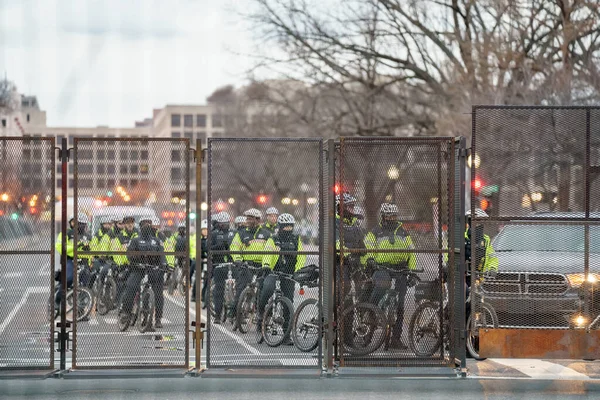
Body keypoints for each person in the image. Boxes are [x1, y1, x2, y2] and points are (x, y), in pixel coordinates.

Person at [364, 202, 418, 350]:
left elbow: (411, 252)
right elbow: (368, 246)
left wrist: (412, 271)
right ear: (383, 216)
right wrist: (370, 260)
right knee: (381, 286)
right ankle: (370, 314)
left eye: (394, 215)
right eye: (388, 215)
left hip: (400, 269)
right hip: (381, 267)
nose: (391, 218)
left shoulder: (403, 232)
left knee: (400, 305)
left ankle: (396, 339)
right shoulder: (375, 231)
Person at [259, 213, 306, 344]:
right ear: (280, 227)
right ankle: (260, 315)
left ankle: (286, 335)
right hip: (273, 271)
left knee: (288, 302)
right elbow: (267, 253)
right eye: (285, 227)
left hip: (289, 274)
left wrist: (297, 271)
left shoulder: (296, 239)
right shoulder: (273, 239)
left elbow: (301, 256)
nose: (288, 229)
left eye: (290, 227)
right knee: (267, 289)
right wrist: (266, 265)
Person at [334, 192, 367, 346]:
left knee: (352, 300)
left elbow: (362, 245)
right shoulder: (333, 222)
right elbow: (335, 243)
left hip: (353, 264)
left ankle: (348, 338)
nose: (352, 209)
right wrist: (347, 253)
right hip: (338, 264)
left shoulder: (355, 224)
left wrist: (367, 258)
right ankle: (332, 329)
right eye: (349, 206)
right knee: (341, 295)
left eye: (353, 206)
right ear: (340, 207)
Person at [120, 223, 167, 330]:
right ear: (140, 227)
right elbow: (129, 254)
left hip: (152, 269)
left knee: (158, 293)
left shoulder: (156, 241)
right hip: (138, 269)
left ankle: (158, 318)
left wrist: (164, 265)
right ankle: (126, 312)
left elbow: (162, 254)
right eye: (144, 224)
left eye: (149, 224)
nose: (147, 226)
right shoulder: (135, 240)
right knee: (131, 287)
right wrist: (136, 258)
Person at [229, 208, 272, 316]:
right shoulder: (241, 233)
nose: (247, 220)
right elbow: (234, 247)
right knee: (241, 287)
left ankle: (260, 316)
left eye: (250, 218)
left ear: (257, 220)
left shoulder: (266, 234)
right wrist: (238, 260)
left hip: (262, 266)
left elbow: (270, 250)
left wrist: (266, 264)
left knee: (262, 291)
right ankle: (234, 311)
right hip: (246, 264)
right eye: (247, 218)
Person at [54, 213, 92, 315]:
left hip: (84, 262)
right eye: (78, 223)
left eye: (83, 224)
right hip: (70, 260)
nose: (80, 226)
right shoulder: (66, 233)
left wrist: (91, 259)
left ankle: (80, 310)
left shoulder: (88, 236)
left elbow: (92, 251)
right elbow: (60, 247)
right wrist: (75, 247)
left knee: (85, 284)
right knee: (69, 279)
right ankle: (57, 301)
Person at [209, 212, 236, 319]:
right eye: (221, 223)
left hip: (232, 264)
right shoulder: (214, 233)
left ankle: (236, 313)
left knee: (238, 287)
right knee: (218, 290)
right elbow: (208, 248)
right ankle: (217, 315)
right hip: (219, 264)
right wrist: (218, 247)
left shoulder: (233, 233)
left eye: (226, 223)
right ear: (218, 224)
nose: (224, 225)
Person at [465, 208, 498, 281]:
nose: (477, 225)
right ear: (470, 222)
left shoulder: (486, 240)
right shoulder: (462, 237)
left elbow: (492, 257)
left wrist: (492, 269)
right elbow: (450, 256)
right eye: (475, 222)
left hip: (479, 279)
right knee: (465, 290)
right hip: (462, 278)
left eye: (480, 222)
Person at [91, 216, 117, 295]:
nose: (108, 226)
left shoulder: (113, 234)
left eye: (109, 224)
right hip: (99, 258)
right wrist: (100, 255)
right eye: (106, 224)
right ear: (102, 224)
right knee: (95, 273)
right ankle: (92, 289)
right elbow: (93, 246)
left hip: (109, 258)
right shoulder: (97, 235)